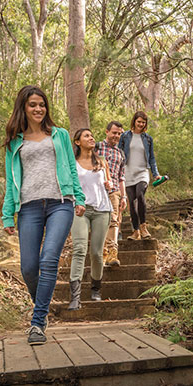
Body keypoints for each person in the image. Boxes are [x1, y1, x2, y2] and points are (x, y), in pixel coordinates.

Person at [2, 85, 85, 345]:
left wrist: (79, 198)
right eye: (32, 105)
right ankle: (42, 303)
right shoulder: (14, 142)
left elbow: (72, 168)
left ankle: (38, 321)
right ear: (23, 108)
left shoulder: (59, 135)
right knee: (28, 268)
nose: (38, 109)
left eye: (42, 104)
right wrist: (7, 215)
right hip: (28, 207)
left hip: (60, 203)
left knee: (48, 259)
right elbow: (10, 180)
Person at [68, 128, 113, 310]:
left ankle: (95, 290)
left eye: (92, 135)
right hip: (80, 210)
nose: (91, 137)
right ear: (77, 142)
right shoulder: (73, 164)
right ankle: (75, 297)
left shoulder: (102, 162)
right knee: (79, 249)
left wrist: (110, 186)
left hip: (102, 210)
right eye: (86, 136)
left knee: (96, 253)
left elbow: (109, 185)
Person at [118, 110, 161, 240]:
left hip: (142, 171)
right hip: (128, 172)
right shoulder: (125, 136)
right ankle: (135, 231)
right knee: (131, 201)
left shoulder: (148, 139)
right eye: (139, 121)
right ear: (134, 121)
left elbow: (151, 158)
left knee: (140, 194)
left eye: (143, 122)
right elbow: (119, 153)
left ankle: (143, 227)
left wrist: (156, 174)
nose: (141, 124)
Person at [95, 121, 127, 266]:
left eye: (119, 133)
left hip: (114, 191)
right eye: (114, 132)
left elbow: (121, 177)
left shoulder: (120, 153)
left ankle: (112, 254)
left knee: (114, 221)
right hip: (97, 191)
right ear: (107, 132)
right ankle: (100, 254)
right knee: (99, 222)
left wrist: (124, 196)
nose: (116, 136)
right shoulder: (97, 147)